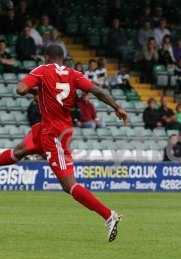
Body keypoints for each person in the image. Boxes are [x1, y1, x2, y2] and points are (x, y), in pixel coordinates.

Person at [0, 44, 128, 242]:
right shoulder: (74, 74)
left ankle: (109, 215)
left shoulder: (42, 70)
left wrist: (34, 91)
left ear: (46, 57)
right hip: (50, 128)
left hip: (54, 135)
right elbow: (97, 90)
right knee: (20, 151)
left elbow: (20, 89)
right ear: (62, 57)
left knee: (69, 185)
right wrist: (117, 107)